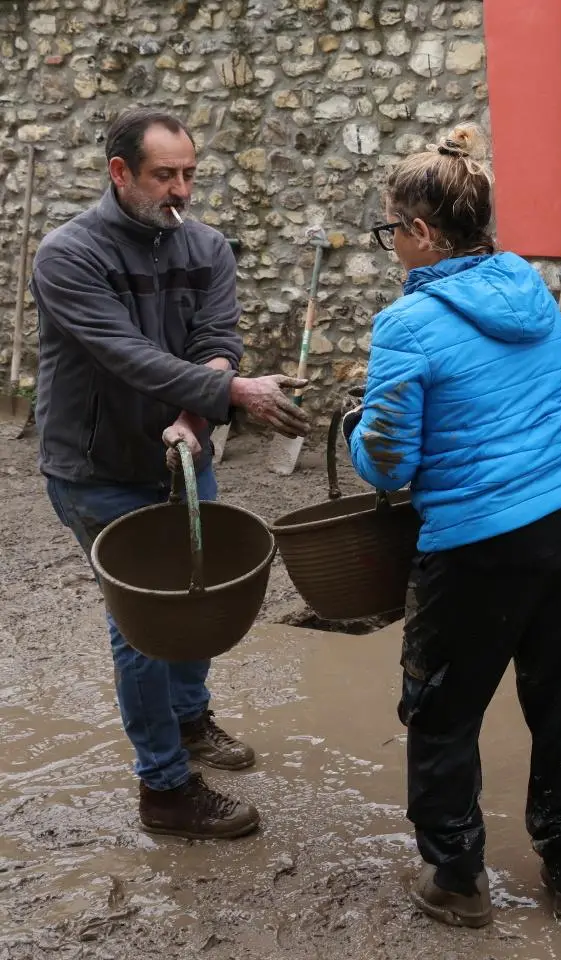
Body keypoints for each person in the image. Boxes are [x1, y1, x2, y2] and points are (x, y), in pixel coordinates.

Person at [344, 125, 561, 926]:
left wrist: (362, 427)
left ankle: (457, 880)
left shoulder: (408, 325)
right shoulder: (529, 290)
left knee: (442, 710)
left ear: (422, 233)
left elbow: (388, 465)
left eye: (392, 230)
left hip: (480, 545)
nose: (392, 245)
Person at [32, 107, 310, 839]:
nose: (181, 190)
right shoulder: (68, 255)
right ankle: (164, 789)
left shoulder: (207, 245)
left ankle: (189, 722)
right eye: (165, 175)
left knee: (199, 593)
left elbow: (215, 340)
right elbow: (123, 352)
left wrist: (197, 416)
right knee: (145, 622)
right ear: (120, 173)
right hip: (98, 470)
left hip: (183, 455)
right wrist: (229, 395)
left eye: (189, 173)